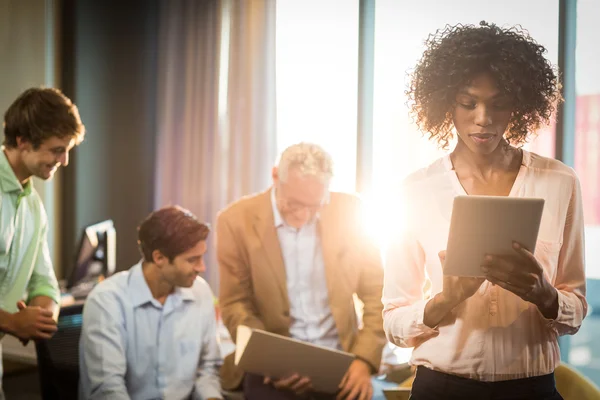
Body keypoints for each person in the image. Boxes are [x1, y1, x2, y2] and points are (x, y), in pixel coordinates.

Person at [382, 22, 587, 400]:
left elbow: (576, 305)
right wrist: (444, 300)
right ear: (446, 102)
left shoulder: (559, 182)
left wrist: (544, 295)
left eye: (499, 103)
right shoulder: (414, 191)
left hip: (532, 390)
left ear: (520, 104)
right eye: (468, 102)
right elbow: (394, 322)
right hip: (441, 389)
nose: (483, 118)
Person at [217, 142, 389, 400]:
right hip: (271, 367)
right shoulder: (235, 221)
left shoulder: (351, 211)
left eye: (316, 205)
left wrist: (363, 360)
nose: (305, 214)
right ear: (275, 176)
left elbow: (378, 295)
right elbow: (235, 304)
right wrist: (270, 362)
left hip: (342, 362)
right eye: (295, 203)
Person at [79, 206, 223, 400]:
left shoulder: (200, 292)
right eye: (192, 260)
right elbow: (108, 389)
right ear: (159, 258)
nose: (202, 267)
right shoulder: (107, 301)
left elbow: (207, 369)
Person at [0, 87, 85, 396]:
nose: (63, 160)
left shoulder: (33, 205)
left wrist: (41, 316)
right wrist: (11, 322)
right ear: (22, 141)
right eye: (57, 149)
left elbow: (44, 281)